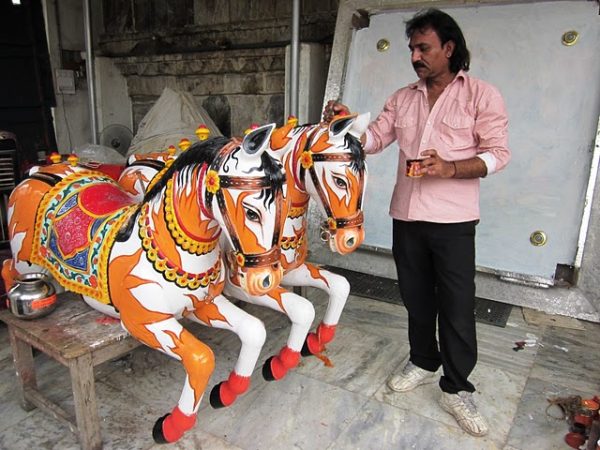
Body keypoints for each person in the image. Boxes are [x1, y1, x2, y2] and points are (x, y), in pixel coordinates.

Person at [323, 8, 510, 437]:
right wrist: (346, 124)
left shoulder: (481, 95)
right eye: (412, 48)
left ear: (448, 48)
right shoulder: (403, 97)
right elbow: (372, 141)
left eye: (423, 47)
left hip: (454, 220)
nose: (415, 56)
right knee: (416, 298)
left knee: (458, 306)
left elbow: (498, 153)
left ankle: (457, 387)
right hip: (406, 216)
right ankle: (424, 360)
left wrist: (452, 168)